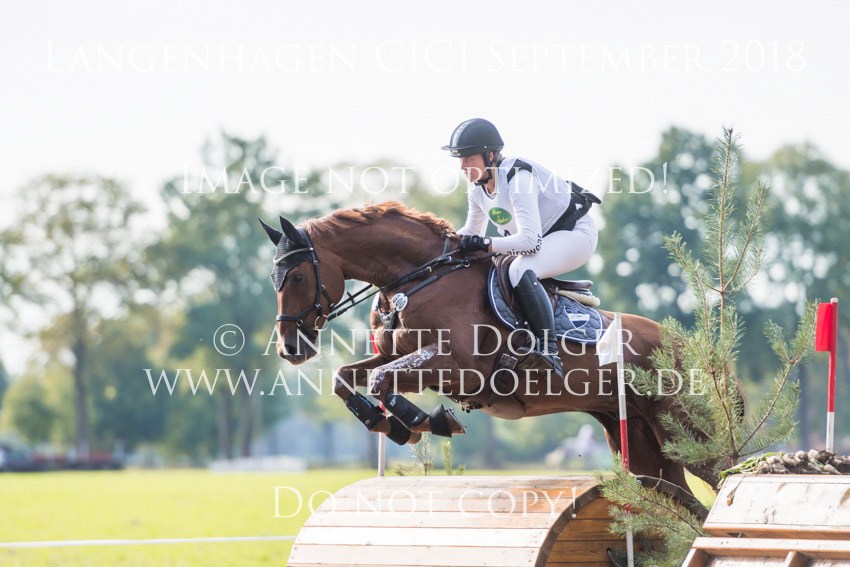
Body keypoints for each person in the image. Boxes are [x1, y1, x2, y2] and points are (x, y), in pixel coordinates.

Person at [442, 118, 600, 379]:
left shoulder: (518, 179)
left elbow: (530, 242)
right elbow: (470, 232)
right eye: (460, 159)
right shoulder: (477, 190)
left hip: (575, 234)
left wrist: (486, 243)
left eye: (469, 158)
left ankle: (548, 351)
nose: (462, 166)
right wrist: (440, 244)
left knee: (521, 270)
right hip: (544, 238)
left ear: (489, 155)